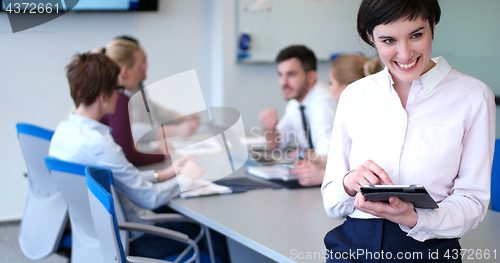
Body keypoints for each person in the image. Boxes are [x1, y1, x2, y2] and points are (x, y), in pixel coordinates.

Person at [321, 0, 495, 262]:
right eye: (388, 41)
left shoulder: (473, 97)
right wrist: (349, 182)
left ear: (433, 26)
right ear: (372, 38)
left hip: (429, 250)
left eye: (416, 35)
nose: (404, 54)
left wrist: (415, 217)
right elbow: (331, 202)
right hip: (353, 246)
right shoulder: (355, 95)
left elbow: (473, 202)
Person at [49, 53, 205, 259]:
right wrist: (187, 178)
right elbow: (150, 198)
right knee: (208, 232)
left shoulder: (62, 134)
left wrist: (162, 174)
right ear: (103, 97)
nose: (119, 95)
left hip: (93, 237)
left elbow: (113, 177)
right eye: (117, 89)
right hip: (132, 239)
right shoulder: (100, 145)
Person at [96, 36, 199, 167]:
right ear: (125, 71)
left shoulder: (114, 93)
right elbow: (129, 155)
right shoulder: (119, 99)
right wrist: (160, 152)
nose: (144, 69)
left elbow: (153, 108)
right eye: (139, 67)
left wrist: (182, 117)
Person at [290, 53, 382, 186]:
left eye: (331, 83)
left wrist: (321, 175)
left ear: (345, 89)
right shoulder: (355, 117)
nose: (329, 89)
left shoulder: (366, 124)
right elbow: (340, 161)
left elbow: (366, 175)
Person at [258, 45, 336, 186]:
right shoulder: (296, 103)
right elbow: (277, 145)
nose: (283, 82)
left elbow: (328, 158)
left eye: (291, 74)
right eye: (280, 75)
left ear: (311, 76)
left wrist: (301, 153)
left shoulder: (323, 103)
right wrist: (269, 129)